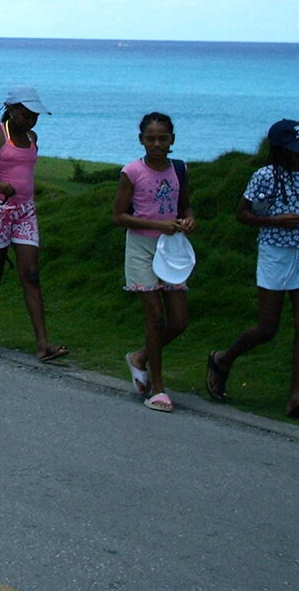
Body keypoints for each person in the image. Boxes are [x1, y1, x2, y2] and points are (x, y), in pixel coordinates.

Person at [205, 120, 299, 421]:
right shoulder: (264, 176)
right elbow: (242, 214)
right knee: (267, 328)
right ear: (280, 151)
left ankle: (296, 399)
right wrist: (275, 222)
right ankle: (223, 359)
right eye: (296, 151)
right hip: (274, 254)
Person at [0, 88, 68, 363]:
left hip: (25, 211)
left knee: (31, 273)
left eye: (35, 116)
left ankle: (43, 343)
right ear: (11, 110)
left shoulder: (32, 138)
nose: (31, 120)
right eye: (26, 114)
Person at [114, 112, 195, 412]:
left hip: (171, 248)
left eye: (163, 138)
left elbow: (184, 203)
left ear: (172, 139)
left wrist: (188, 219)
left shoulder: (180, 169)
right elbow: (119, 216)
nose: (157, 144)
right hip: (140, 246)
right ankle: (158, 388)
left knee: (179, 320)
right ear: (141, 140)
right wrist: (159, 225)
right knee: (155, 316)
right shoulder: (132, 172)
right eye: (151, 139)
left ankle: (140, 357)